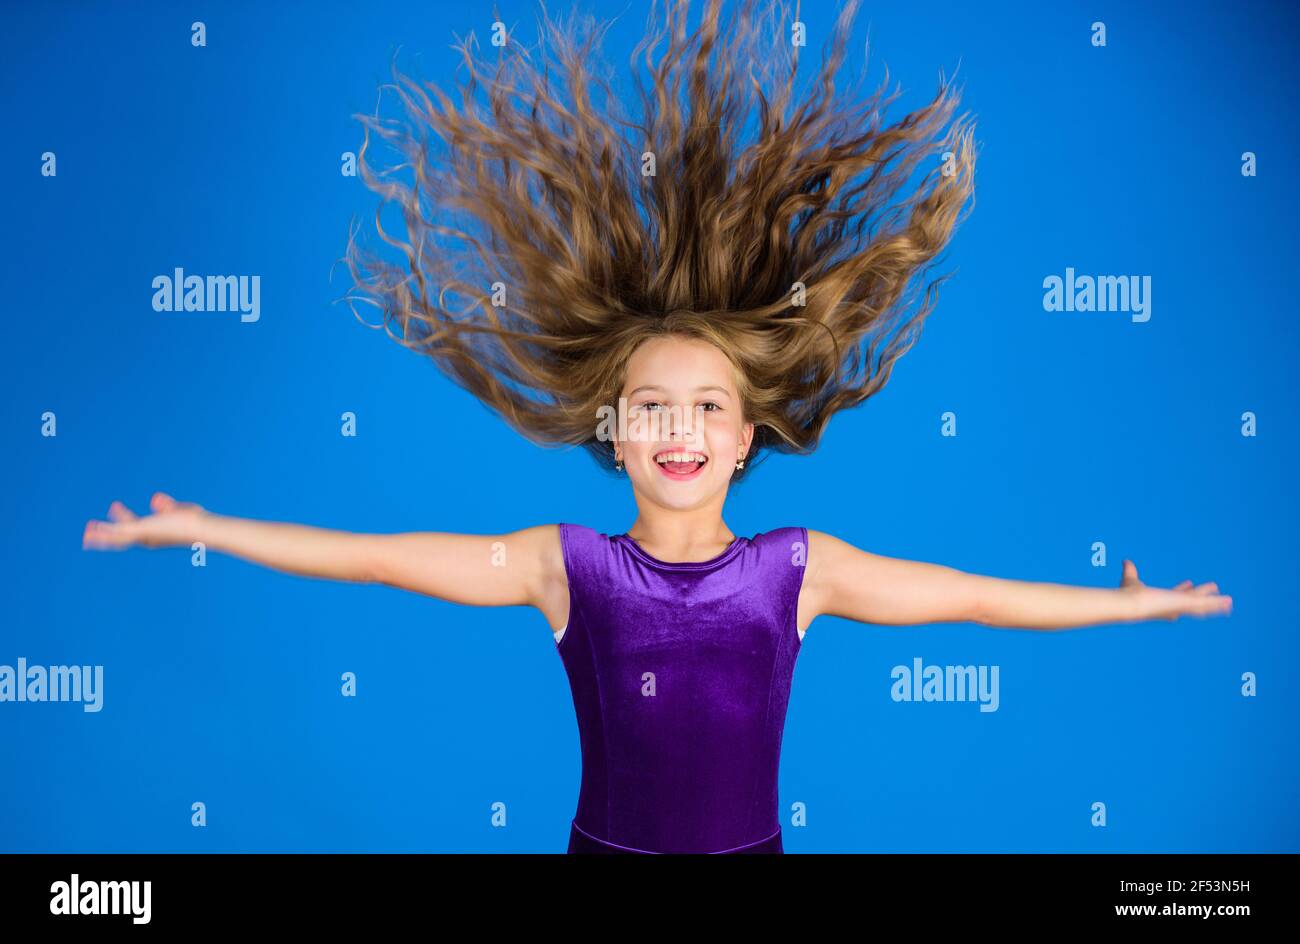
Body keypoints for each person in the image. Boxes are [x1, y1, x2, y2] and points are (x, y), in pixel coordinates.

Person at [83, 0, 1232, 854]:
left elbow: (975, 595)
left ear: (743, 438)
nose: (679, 427)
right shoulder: (562, 566)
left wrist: (1128, 602)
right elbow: (376, 559)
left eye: (706, 408)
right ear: (614, 429)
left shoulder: (800, 570)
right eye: (653, 407)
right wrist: (206, 523)